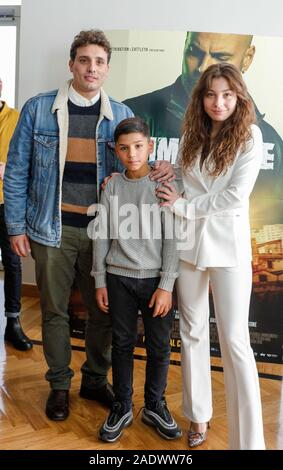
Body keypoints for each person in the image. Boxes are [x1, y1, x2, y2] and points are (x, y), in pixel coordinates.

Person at [3, 30, 173, 421]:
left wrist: (167, 166)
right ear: (71, 64)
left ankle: (95, 380)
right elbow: (15, 171)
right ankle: (59, 385)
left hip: (105, 235)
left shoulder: (121, 113)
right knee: (54, 312)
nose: (91, 68)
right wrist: (15, 227)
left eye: (99, 61)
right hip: (51, 230)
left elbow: (136, 167)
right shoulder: (38, 109)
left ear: (107, 69)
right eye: (84, 60)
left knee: (104, 314)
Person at [156, 63, 266, 450]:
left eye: (226, 95)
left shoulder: (250, 137)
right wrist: (173, 173)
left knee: (236, 342)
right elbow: (191, 182)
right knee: (191, 332)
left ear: (239, 97)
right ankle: (198, 417)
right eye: (210, 94)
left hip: (228, 248)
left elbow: (234, 197)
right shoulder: (192, 133)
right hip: (190, 244)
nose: (218, 103)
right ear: (201, 97)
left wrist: (184, 205)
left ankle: (249, 442)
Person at [124, 31, 283, 226]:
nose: (202, 67)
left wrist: (184, 206)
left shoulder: (259, 137)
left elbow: (236, 195)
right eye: (194, 52)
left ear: (247, 58)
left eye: (220, 57)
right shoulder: (137, 113)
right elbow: (188, 177)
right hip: (185, 240)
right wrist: (169, 169)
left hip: (225, 243)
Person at [92, 117, 181, 443]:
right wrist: (100, 279)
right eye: (125, 148)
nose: (132, 154)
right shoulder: (112, 186)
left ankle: (155, 404)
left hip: (156, 280)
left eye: (139, 147)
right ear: (116, 151)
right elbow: (101, 235)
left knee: (159, 347)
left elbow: (173, 239)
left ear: (150, 146)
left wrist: (166, 285)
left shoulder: (163, 186)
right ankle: (123, 404)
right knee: (122, 344)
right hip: (118, 279)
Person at [0, 78, 32, 351]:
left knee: (12, 263)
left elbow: (29, 158)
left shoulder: (19, 117)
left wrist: (6, 169)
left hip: (7, 204)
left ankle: (13, 323)